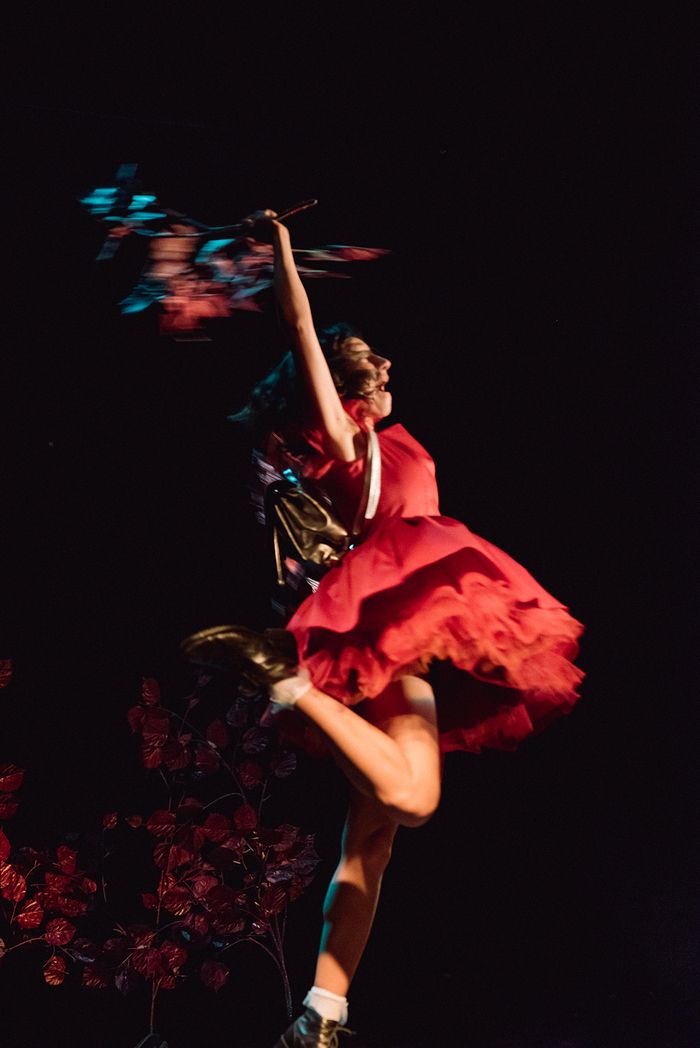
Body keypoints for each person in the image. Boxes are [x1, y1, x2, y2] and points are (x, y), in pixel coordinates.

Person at [181, 210, 585, 1047]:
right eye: (373, 360)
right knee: (412, 798)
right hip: (371, 641)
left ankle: (323, 1013)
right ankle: (281, 677)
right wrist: (284, 253)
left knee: (375, 837)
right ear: (345, 383)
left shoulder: (381, 441)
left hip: (386, 641)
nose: (390, 363)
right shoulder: (348, 441)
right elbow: (301, 329)